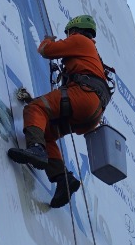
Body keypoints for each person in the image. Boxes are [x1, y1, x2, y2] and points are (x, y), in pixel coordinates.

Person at [7, 14, 111, 208]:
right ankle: (64, 180)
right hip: (91, 113)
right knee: (46, 133)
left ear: (74, 30)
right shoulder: (92, 55)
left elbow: (46, 50)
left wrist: (48, 40)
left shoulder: (80, 40)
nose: (68, 37)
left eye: (69, 34)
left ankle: (36, 150)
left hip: (84, 96)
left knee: (35, 108)